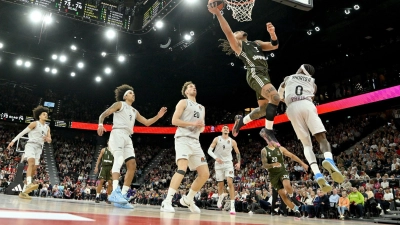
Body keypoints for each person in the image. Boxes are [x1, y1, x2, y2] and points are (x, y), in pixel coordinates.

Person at [208, 3, 280, 145]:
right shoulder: (239, 46)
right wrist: (218, 13)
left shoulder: (256, 43)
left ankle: (242, 121)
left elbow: (274, 45)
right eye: (236, 32)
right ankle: (268, 131)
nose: (238, 30)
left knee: (265, 109)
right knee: (275, 97)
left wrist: (272, 33)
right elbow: (228, 32)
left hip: (264, 75)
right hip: (255, 74)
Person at [97, 84, 167, 209]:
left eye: (133, 93)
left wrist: (158, 116)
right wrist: (100, 124)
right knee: (118, 159)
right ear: (125, 96)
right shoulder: (119, 104)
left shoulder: (134, 111)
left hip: (128, 137)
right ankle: (115, 191)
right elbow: (105, 113)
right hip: (117, 133)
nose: (133, 94)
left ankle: (122, 196)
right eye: (130, 93)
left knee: (132, 165)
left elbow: (146, 122)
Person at [277, 64, 344, 192]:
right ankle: (329, 159)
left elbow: (279, 92)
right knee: (322, 138)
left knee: (306, 145)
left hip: (291, 109)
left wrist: (282, 98)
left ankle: (317, 173)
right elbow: (311, 96)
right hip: (307, 104)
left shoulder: (288, 78)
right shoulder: (313, 83)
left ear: (301, 69)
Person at [160, 81, 210, 213]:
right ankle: (167, 201)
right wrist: (191, 123)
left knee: (205, 174)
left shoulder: (202, 107)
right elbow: (174, 121)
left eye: (194, 86)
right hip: (183, 139)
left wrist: (201, 127)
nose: (193, 88)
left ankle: (188, 199)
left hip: (195, 141)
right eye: (190, 87)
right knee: (182, 169)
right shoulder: (183, 102)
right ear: (186, 91)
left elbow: (202, 126)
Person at [7, 106, 52, 199]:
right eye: (44, 114)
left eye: (47, 114)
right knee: (31, 163)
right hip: (31, 145)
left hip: (39, 147)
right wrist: (13, 141)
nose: (46, 115)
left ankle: (23, 192)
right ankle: (29, 183)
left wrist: (48, 139)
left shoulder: (47, 127)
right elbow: (22, 132)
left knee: (34, 168)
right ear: (39, 116)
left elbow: (50, 140)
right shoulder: (34, 123)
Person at [260, 141, 309, 218]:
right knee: (283, 195)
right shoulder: (264, 150)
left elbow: (292, 156)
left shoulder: (281, 149)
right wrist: (273, 165)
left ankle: (292, 196)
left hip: (282, 171)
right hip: (273, 176)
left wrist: (302, 163)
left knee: (287, 185)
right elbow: (264, 165)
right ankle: (295, 210)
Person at [207, 125, 241, 214]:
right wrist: (216, 158)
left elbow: (237, 153)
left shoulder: (232, 141)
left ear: (228, 131)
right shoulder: (217, 139)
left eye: (227, 128)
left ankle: (233, 207)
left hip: (228, 163)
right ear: (221, 130)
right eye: (224, 128)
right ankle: (220, 197)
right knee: (220, 185)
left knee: (230, 183)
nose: (226, 129)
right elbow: (209, 151)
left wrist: (239, 162)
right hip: (218, 163)